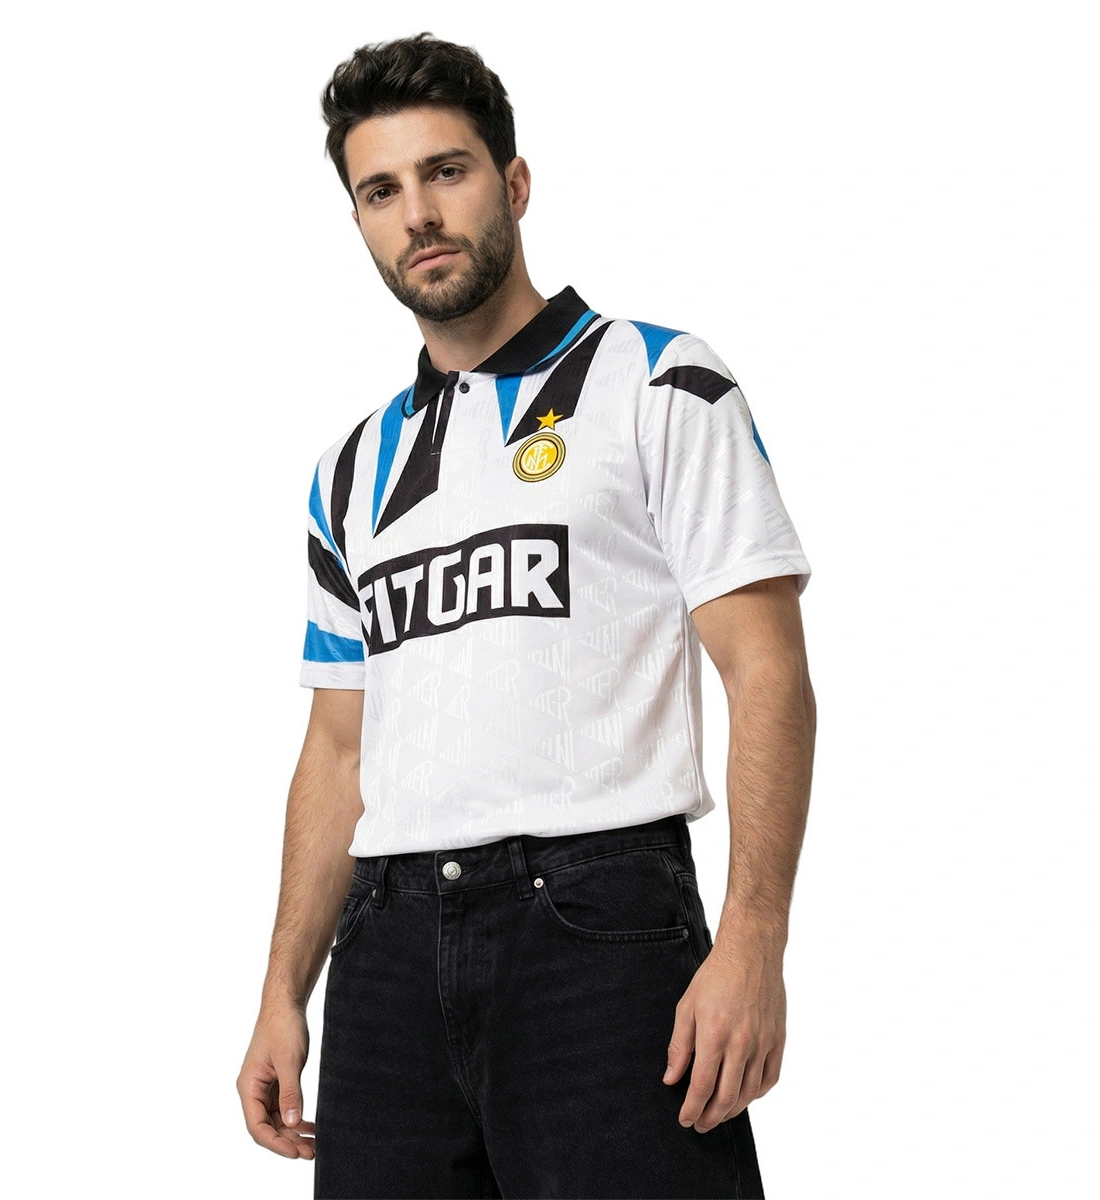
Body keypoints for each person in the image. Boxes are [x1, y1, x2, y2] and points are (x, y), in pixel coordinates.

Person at [236, 31, 816, 1200]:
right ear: (359, 221)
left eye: (446, 172)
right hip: (387, 956)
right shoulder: (349, 470)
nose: (418, 214)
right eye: (381, 192)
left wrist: (755, 937)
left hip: (598, 932)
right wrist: (281, 992)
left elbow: (766, 673)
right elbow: (339, 747)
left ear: (513, 182)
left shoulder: (658, 380)